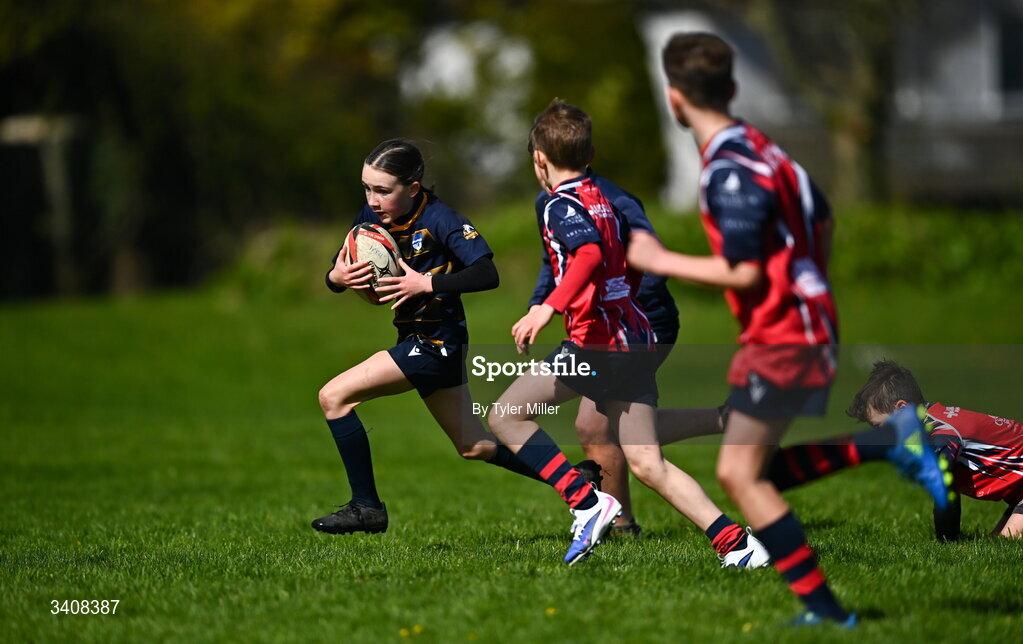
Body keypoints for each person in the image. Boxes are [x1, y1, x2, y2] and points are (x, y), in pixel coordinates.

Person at [635, 33, 951, 626]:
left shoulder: (727, 168)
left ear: (674, 100)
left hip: (783, 332)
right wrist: (811, 283)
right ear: (731, 89)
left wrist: (657, 259)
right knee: (756, 473)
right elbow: (823, 216)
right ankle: (829, 594)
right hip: (806, 322)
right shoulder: (766, 150)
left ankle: (829, 601)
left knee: (738, 474)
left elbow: (744, 271)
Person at [487, 99, 769, 567]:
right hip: (633, 340)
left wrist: (549, 309)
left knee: (506, 416)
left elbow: (589, 257)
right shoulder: (604, 198)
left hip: (598, 346)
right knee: (646, 461)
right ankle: (736, 545)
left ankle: (586, 500)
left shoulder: (561, 205)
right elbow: (626, 260)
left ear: (538, 159)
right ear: (590, 153)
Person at [313, 139, 547, 534]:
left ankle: (367, 507)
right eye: (367, 188)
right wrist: (336, 278)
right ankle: (579, 481)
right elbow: (339, 271)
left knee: (333, 397)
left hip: (438, 343)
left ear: (413, 189)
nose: (373, 199)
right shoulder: (369, 222)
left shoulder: (441, 220)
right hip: (416, 342)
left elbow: (487, 273)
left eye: (383, 190)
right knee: (474, 446)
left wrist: (428, 284)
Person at [528, 176, 729, 540]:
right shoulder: (549, 201)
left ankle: (617, 523)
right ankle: (622, 524)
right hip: (603, 327)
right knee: (603, 428)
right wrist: (539, 306)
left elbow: (646, 259)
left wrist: (618, 305)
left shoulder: (616, 199)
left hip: (641, 320)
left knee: (594, 426)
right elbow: (553, 262)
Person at [766, 360, 1022, 541]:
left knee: (1007, 543)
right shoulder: (935, 424)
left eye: (880, 426)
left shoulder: (941, 435)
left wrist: (947, 544)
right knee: (994, 544)